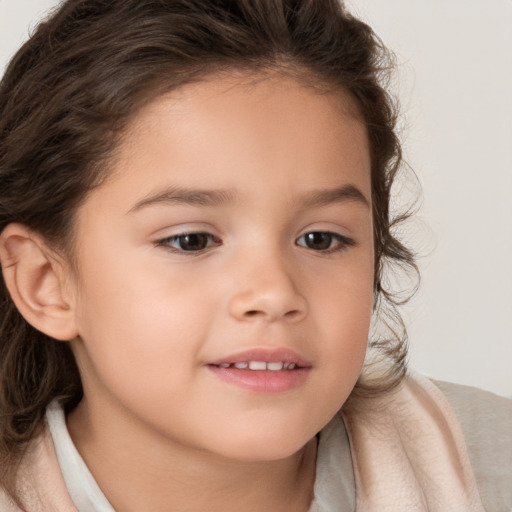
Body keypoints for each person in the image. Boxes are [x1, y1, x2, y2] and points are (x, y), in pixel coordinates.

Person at [0, 1, 510, 511]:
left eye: (320, 239)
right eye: (191, 240)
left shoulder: (490, 470)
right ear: (45, 282)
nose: (274, 293)